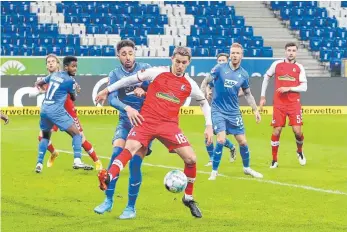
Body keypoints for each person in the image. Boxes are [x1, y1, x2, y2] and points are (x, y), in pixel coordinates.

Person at [95, 47, 214, 218]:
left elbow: (203, 102)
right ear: (172, 59)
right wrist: (106, 90)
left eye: (183, 63)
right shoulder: (157, 72)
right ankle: (108, 178)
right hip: (146, 121)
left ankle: (188, 198)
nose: (180, 65)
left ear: (188, 63)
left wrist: (209, 126)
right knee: (129, 149)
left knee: (191, 159)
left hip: (169, 126)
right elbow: (128, 80)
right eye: (177, 61)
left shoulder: (189, 84)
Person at [94, 40, 152, 219]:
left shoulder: (146, 69)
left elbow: (158, 91)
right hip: (125, 120)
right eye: (124, 54)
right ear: (118, 56)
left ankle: (130, 208)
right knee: (116, 154)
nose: (128, 57)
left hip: (144, 122)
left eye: (131, 53)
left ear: (135, 53)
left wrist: (146, 92)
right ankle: (108, 200)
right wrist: (128, 108)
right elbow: (111, 99)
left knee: (134, 163)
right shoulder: (115, 74)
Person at [31, 54, 101, 170]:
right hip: (57, 111)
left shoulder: (58, 78)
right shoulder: (63, 79)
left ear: (59, 64)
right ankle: (66, 157)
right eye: (48, 62)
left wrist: (41, 90)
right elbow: (73, 96)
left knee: (80, 139)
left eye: (53, 61)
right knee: (75, 135)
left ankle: (96, 161)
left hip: (57, 111)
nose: (50, 63)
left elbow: (41, 84)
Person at [207, 43, 263, 181]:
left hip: (233, 111)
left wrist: (255, 110)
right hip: (218, 110)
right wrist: (207, 89)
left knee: (243, 142)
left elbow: (248, 94)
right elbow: (207, 79)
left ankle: (247, 168)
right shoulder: (220, 68)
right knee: (220, 139)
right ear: (230, 54)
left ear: (241, 55)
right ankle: (214, 172)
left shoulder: (243, 74)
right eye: (232, 53)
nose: (234, 55)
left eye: (237, 53)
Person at [259, 42, 307, 168]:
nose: (291, 52)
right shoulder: (277, 64)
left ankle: (300, 151)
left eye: (293, 50)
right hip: (279, 104)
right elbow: (266, 77)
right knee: (277, 130)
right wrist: (263, 96)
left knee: (297, 131)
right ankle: (274, 160)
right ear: (285, 51)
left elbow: (304, 87)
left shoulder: (299, 67)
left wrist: (289, 88)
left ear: (296, 52)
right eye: (289, 50)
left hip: (294, 104)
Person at [200, 53, 236, 165]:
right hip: (215, 108)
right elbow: (207, 84)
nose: (221, 63)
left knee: (219, 134)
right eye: (219, 60)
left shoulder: (233, 74)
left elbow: (240, 91)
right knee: (209, 133)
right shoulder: (215, 73)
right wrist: (207, 91)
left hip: (228, 109)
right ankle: (212, 159)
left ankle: (231, 147)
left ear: (228, 61)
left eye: (223, 60)